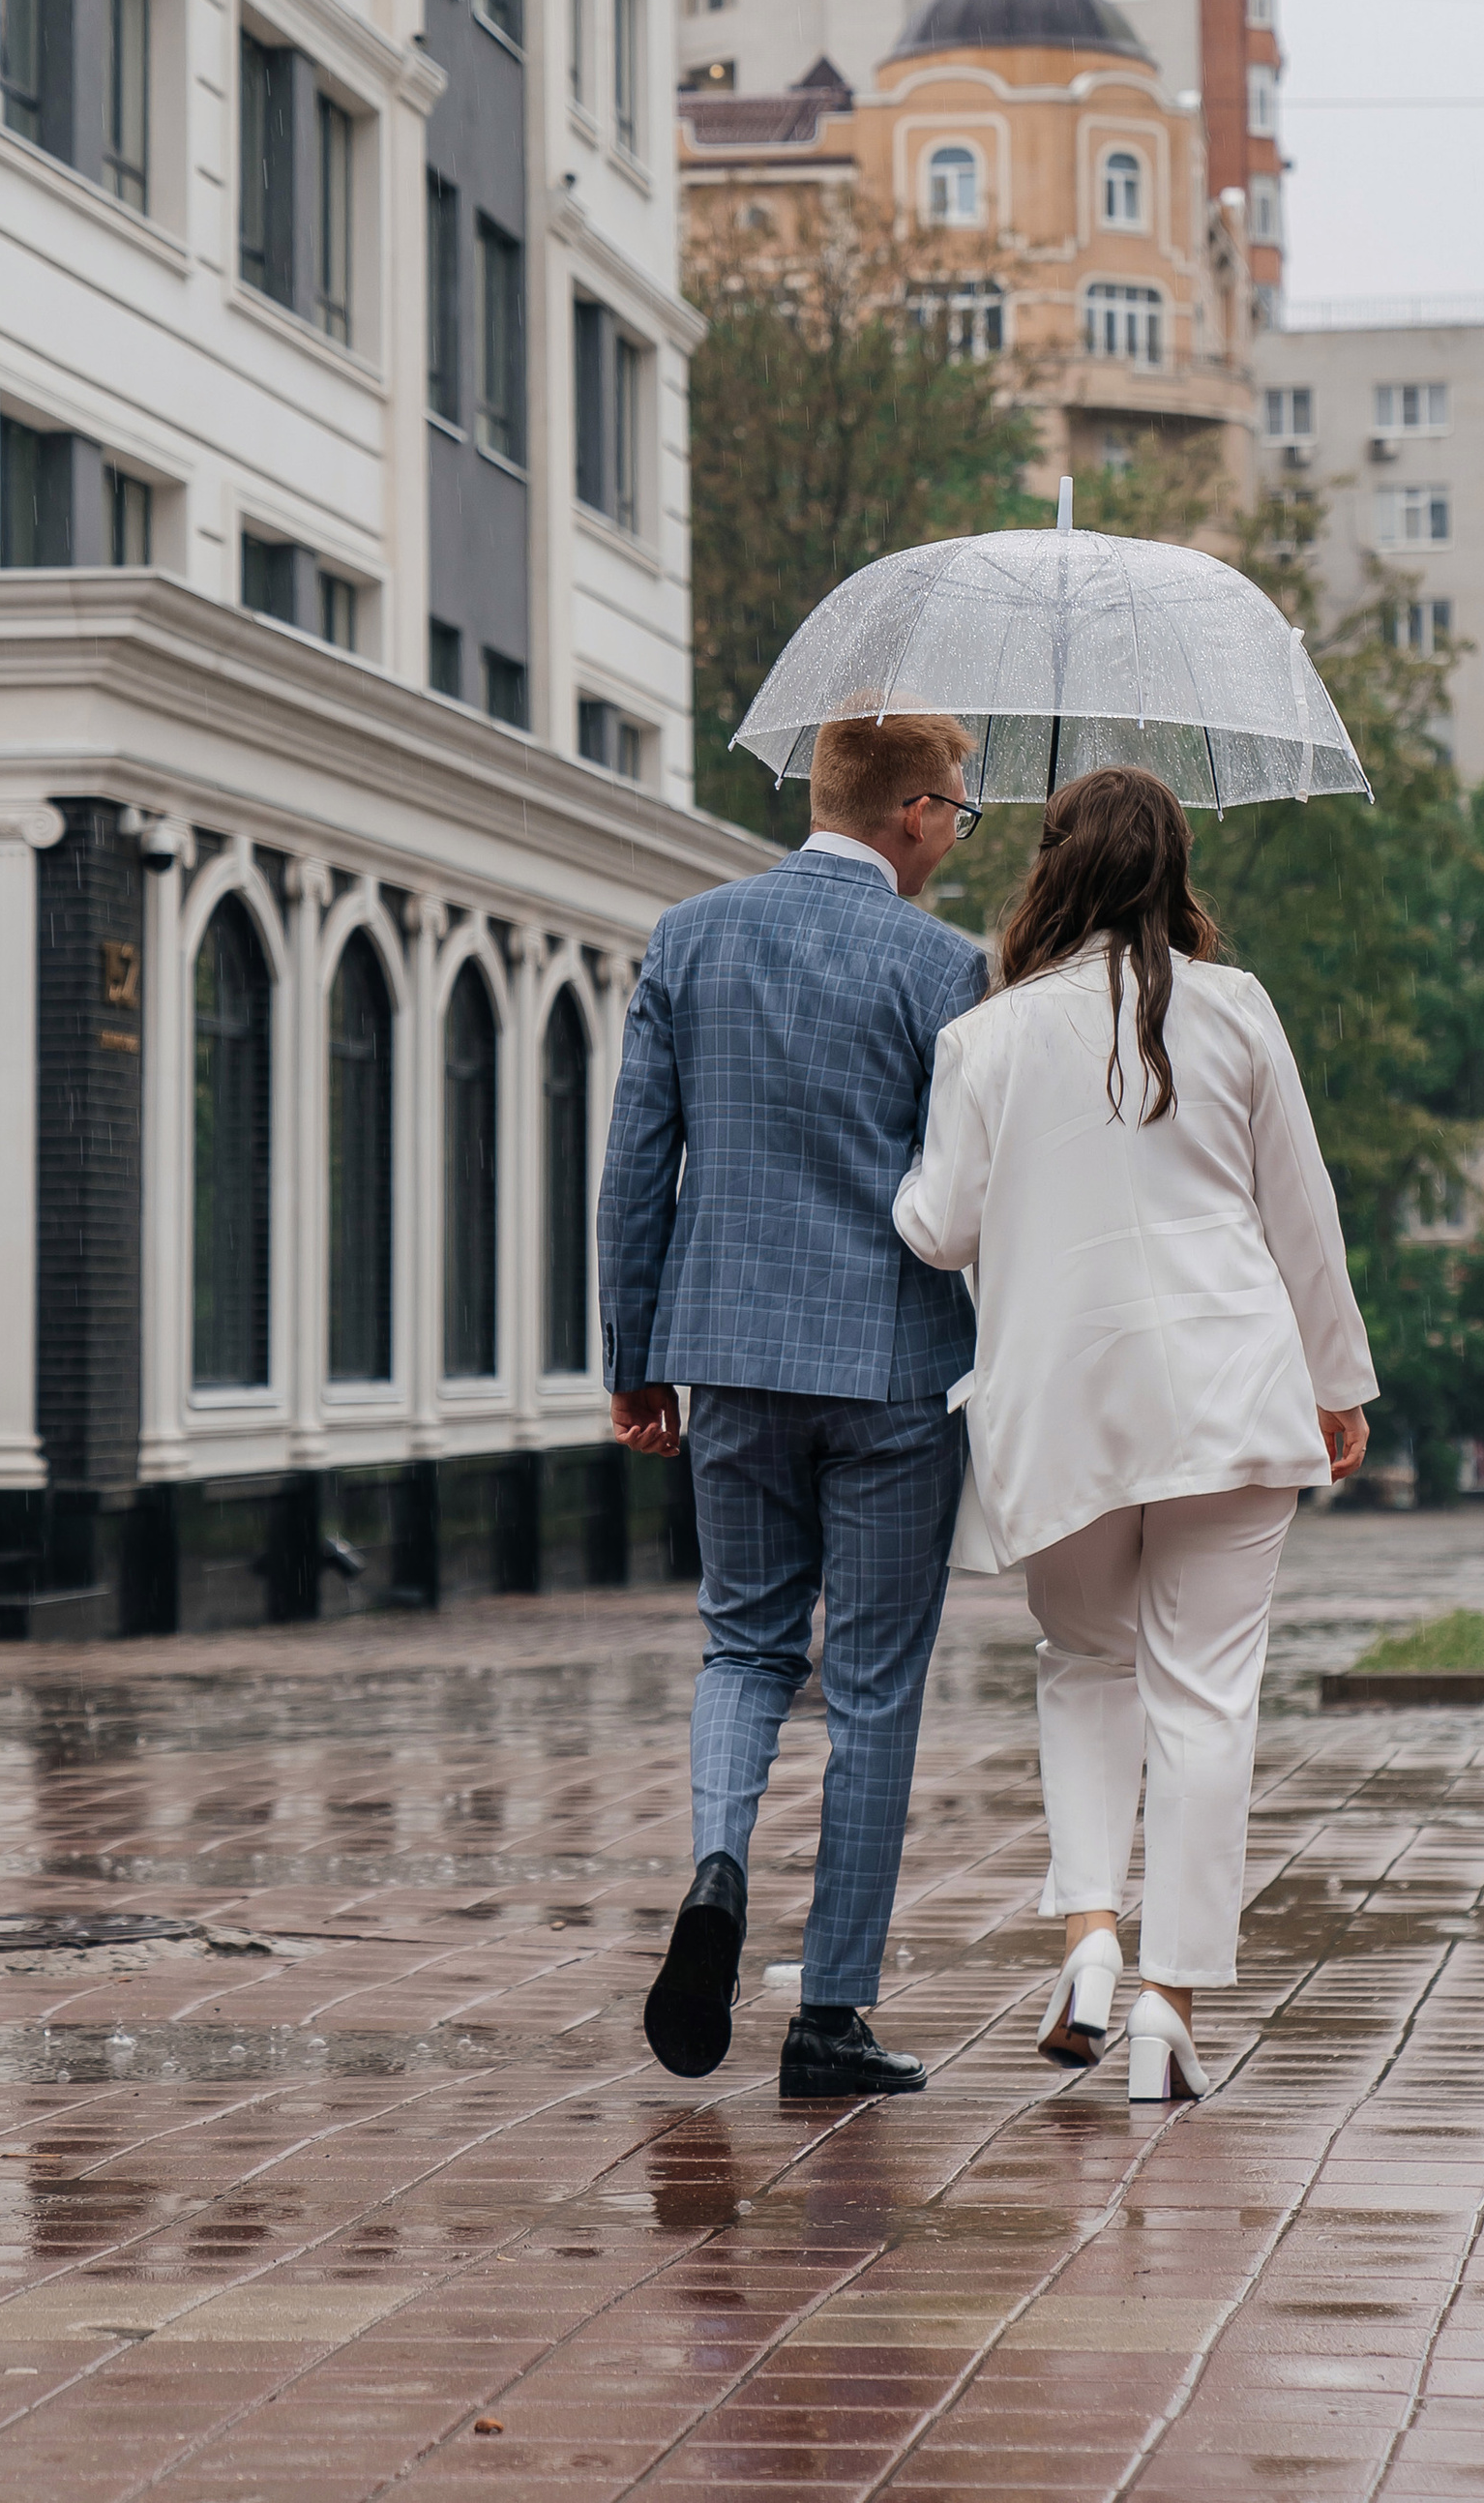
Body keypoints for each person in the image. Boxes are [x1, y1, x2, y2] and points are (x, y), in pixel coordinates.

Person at [893, 765, 1375, 2104]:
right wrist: (1339, 1385)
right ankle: (1167, 2001)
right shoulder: (1237, 1011)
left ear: (1051, 868)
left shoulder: (990, 1036)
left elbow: (942, 1228)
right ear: (1174, 873)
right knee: (1207, 1700)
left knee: (1084, 1664)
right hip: (1230, 1395)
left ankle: (1090, 1933)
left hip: (1065, 1409)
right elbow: (1303, 1215)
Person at [599, 710, 986, 2101]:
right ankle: (828, 2015)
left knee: (743, 1649)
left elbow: (638, 1162)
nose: (959, 834)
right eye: (961, 811)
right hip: (891, 1368)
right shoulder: (947, 969)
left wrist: (632, 1354)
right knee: (873, 1693)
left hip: (729, 1356)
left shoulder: (692, 937)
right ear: (914, 815)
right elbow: (969, 1188)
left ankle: (717, 1864)